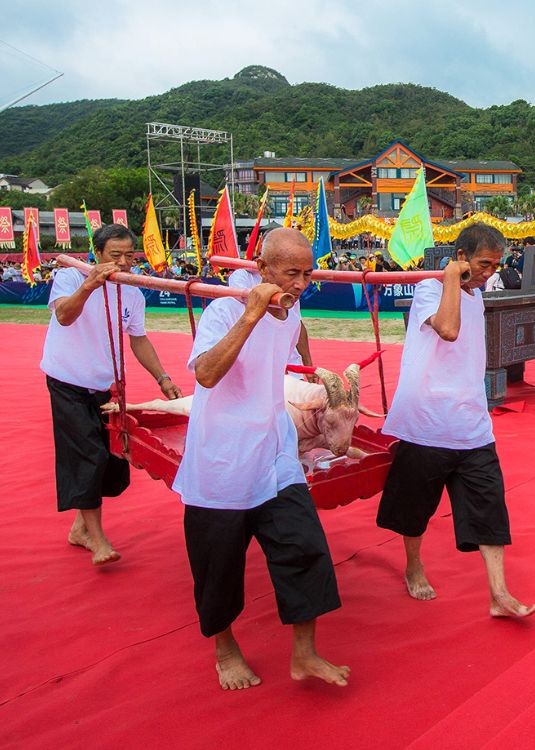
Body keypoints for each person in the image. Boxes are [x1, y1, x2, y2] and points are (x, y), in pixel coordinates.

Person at [173, 228, 348, 690]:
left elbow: (290, 356)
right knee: (218, 567)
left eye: (307, 273)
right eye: (291, 273)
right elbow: (207, 374)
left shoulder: (292, 312)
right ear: (262, 268)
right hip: (221, 462)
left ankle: (304, 655)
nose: (300, 284)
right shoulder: (223, 309)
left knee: (305, 548)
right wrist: (250, 314)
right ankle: (225, 649)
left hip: (274, 455)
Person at [377, 224, 535, 618]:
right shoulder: (429, 290)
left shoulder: (478, 296)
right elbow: (447, 329)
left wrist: (466, 281)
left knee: (489, 505)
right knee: (415, 508)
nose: (489, 272)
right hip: (427, 419)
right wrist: (450, 277)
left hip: (470, 421)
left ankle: (499, 594)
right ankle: (414, 565)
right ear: (462, 257)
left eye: (495, 265)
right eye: (483, 263)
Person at [40, 224, 182, 566]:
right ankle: (98, 539)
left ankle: (79, 528)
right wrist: (90, 284)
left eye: (128, 256)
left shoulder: (131, 292)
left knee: (114, 459)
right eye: (114, 256)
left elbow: (138, 339)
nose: (122, 263)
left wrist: (162, 378)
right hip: (67, 380)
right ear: (98, 254)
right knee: (88, 454)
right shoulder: (72, 277)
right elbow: (64, 315)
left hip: (105, 385)